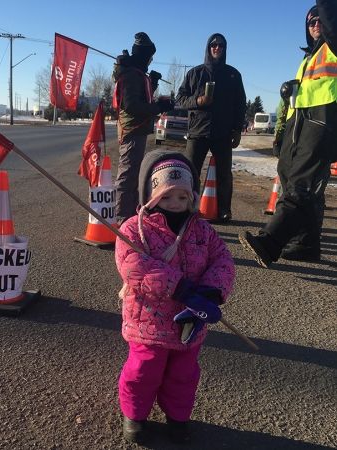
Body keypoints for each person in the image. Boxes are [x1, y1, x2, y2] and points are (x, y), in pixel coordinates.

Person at [115, 149, 235, 444]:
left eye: (183, 197)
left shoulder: (202, 231)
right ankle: (135, 414)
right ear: (151, 196)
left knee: (184, 374)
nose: (175, 204)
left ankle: (178, 416)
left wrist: (210, 290)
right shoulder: (134, 229)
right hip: (148, 323)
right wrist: (177, 287)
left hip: (189, 322)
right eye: (166, 197)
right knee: (143, 371)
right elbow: (133, 265)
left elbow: (223, 261)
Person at [240, 0, 337, 266]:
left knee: (301, 184)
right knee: (296, 180)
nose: (316, 24)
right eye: (311, 21)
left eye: (320, 19)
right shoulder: (309, 57)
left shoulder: (333, 46)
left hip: (325, 119)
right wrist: (283, 134)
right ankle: (305, 245)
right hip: (302, 123)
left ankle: (271, 242)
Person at [176, 33, 246, 223]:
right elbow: (180, 100)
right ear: (208, 48)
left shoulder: (233, 74)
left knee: (224, 174)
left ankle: (224, 210)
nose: (217, 48)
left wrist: (237, 129)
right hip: (197, 132)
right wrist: (198, 101)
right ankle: (188, 208)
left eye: (221, 45)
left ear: (224, 49)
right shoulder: (195, 73)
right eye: (213, 45)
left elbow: (240, 104)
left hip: (222, 134)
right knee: (190, 172)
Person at [113, 32, 174, 226]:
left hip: (137, 129)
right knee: (128, 175)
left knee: (133, 174)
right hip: (132, 129)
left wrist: (153, 82)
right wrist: (159, 108)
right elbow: (132, 106)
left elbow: (143, 97)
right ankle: (122, 219)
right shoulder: (131, 73)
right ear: (143, 55)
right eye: (150, 56)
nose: (150, 60)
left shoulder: (136, 72)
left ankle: (130, 216)